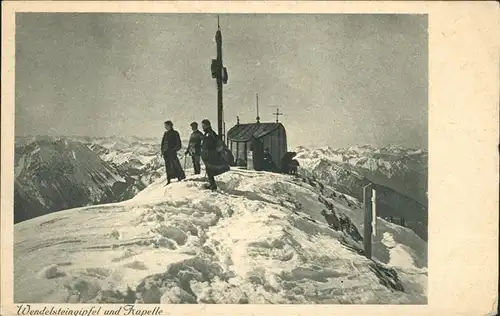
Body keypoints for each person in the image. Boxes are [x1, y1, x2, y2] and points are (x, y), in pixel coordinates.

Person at [200, 119, 230, 190]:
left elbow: (211, 143)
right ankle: (212, 184)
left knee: (210, 168)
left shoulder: (210, 133)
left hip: (211, 154)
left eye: (204, 126)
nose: (203, 127)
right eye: (202, 126)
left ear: (208, 125)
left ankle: (212, 185)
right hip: (209, 154)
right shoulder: (208, 133)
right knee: (209, 169)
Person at [161, 120, 186, 185]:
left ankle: (179, 177)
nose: (165, 127)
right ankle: (169, 179)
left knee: (175, 164)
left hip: (172, 152)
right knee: (168, 166)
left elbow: (178, 143)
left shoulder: (175, 133)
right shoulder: (165, 133)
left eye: (166, 126)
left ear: (170, 125)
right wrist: (162, 151)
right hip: (166, 153)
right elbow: (163, 143)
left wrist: (174, 149)